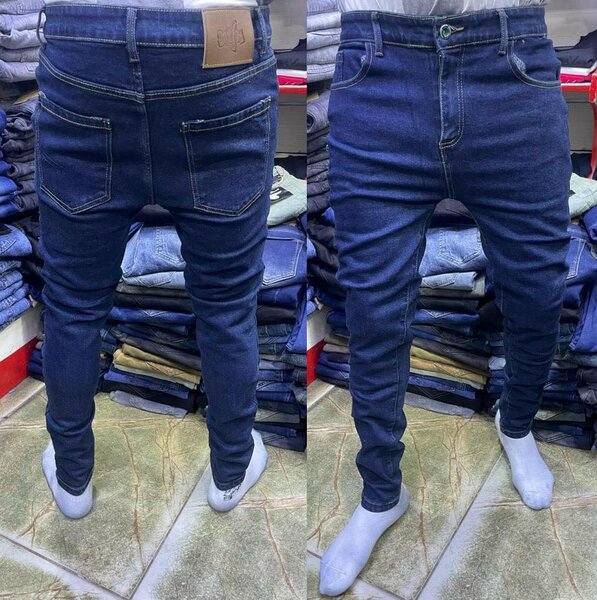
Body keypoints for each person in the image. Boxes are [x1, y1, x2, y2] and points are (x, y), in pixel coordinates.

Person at [319, 0, 569, 596]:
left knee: (538, 293)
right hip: (377, 72)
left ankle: (515, 424)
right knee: (373, 314)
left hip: (512, 72)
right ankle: (381, 492)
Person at [35, 0, 278, 519]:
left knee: (73, 305)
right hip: (219, 45)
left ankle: (73, 480)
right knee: (227, 306)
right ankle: (231, 473)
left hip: (84, 47)